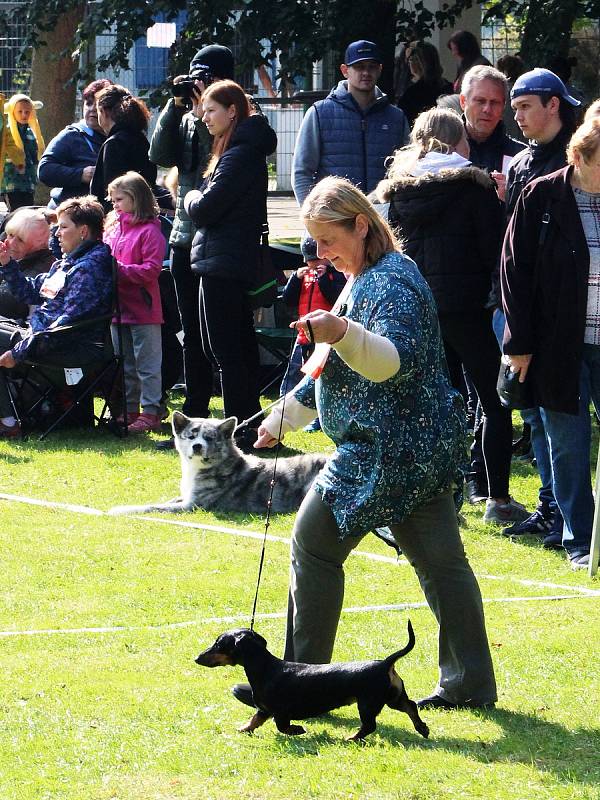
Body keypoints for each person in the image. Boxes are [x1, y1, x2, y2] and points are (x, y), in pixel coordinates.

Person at [231, 175, 497, 711]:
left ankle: (296, 686)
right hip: (419, 451)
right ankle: (470, 684)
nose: (321, 254)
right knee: (441, 562)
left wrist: (340, 333)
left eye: (328, 240)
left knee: (313, 544)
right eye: (313, 244)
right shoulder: (363, 278)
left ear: (360, 225)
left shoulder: (392, 280)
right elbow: (332, 369)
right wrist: (281, 418)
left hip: (389, 453)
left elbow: (388, 361)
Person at [378, 107, 528, 526]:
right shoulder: (474, 188)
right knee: (493, 402)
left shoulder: (399, 193)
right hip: (467, 308)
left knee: (436, 405)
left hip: (420, 310)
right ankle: (496, 498)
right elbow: (494, 252)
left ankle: (440, 495)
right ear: (457, 140)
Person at [501, 117, 600, 570]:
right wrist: (518, 343)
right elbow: (514, 275)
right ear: (579, 158)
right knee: (568, 445)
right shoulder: (541, 196)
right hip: (557, 345)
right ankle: (580, 540)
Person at [500, 68, 581, 543]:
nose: (518, 117)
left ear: (554, 104)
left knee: (558, 417)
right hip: (516, 305)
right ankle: (552, 507)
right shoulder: (521, 162)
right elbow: (513, 248)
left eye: (525, 106)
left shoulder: (579, 159)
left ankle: (567, 517)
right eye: (516, 108)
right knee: (529, 411)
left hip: (565, 312)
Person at [149, 45, 235, 450]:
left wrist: (205, 109)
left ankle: (231, 415)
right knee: (189, 332)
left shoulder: (235, 117)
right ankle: (193, 414)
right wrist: (173, 105)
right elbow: (159, 155)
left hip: (215, 236)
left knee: (216, 332)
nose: (198, 85)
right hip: (184, 235)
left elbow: (209, 158)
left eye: (205, 77)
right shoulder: (184, 116)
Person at [184, 80, 277, 449]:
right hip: (226, 257)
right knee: (232, 347)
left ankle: (240, 430)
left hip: (224, 259)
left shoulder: (239, 154)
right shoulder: (241, 149)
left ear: (232, 111)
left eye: (210, 111)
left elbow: (206, 208)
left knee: (225, 350)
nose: (204, 118)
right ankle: (249, 426)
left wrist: (191, 195)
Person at [0, 196, 112, 438]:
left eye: (63, 227)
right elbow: (28, 291)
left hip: (69, 349)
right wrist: (7, 264)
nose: (56, 234)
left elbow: (69, 322)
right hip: (42, 338)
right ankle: (7, 420)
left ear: (83, 231)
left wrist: (19, 351)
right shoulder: (66, 264)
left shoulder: (89, 269)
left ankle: (8, 422)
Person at [291, 40, 409, 206]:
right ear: (345, 71)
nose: (366, 72)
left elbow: (406, 171)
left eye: (372, 66)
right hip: (335, 218)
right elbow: (302, 171)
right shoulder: (319, 113)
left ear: (380, 69)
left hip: (383, 218)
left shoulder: (396, 117)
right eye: (359, 66)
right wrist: (312, 215)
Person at [103, 171, 166, 433]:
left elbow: (151, 270)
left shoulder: (150, 231)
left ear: (135, 198)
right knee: (125, 363)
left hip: (144, 309)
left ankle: (151, 410)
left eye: (119, 199)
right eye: (112, 200)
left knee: (147, 365)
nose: (114, 204)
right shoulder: (113, 227)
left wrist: (118, 270)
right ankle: (130, 410)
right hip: (118, 308)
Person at [280, 235, 346, 409]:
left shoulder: (336, 275)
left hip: (325, 334)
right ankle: (285, 402)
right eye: (311, 261)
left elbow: (335, 298)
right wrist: (295, 279)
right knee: (295, 370)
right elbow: (288, 300)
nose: (315, 265)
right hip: (304, 334)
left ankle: (317, 411)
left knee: (320, 373)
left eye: (319, 260)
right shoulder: (303, 277)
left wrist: (324, 279)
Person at [37, 79, 112, 209]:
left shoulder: (120, 137)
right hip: (69, 215)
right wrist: (80, 175)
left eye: (99, 104)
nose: (92, 109)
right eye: (88, 104)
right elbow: (45, 170)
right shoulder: (71, 135)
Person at [459, 66, 525, 200]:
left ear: (503, 107)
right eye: (480, 101)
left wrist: (513, 197)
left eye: (494, 103)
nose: (487, 109)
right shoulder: (443, 152)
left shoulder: (520, 157)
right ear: (463, 102)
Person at [90, 85, 157, 211]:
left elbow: (111, 192)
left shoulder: (114, 144)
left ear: (104, 112)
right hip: (143, 213)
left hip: (120, 220)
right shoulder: (140, 138)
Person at [0, 208, 54, 320]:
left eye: (20, 240)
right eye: (10, 235)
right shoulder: (7, 256)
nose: (11, 243)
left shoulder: (43, 271)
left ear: (39, 244)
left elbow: (33, 320)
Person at [1, 94, 45, 210]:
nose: (24, 115)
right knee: (15, 213)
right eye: (20, 111)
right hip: (10, 182)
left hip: (28, 182)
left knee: (28, 210)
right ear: (12, 111)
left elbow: (35, 154)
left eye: (27, 111)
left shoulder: (32, 132)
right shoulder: (6, 131)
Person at [397, 41, 453, 126]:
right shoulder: (448, 87)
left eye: (411, 59)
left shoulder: (412, 93)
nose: (409, 63)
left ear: (420, 62)